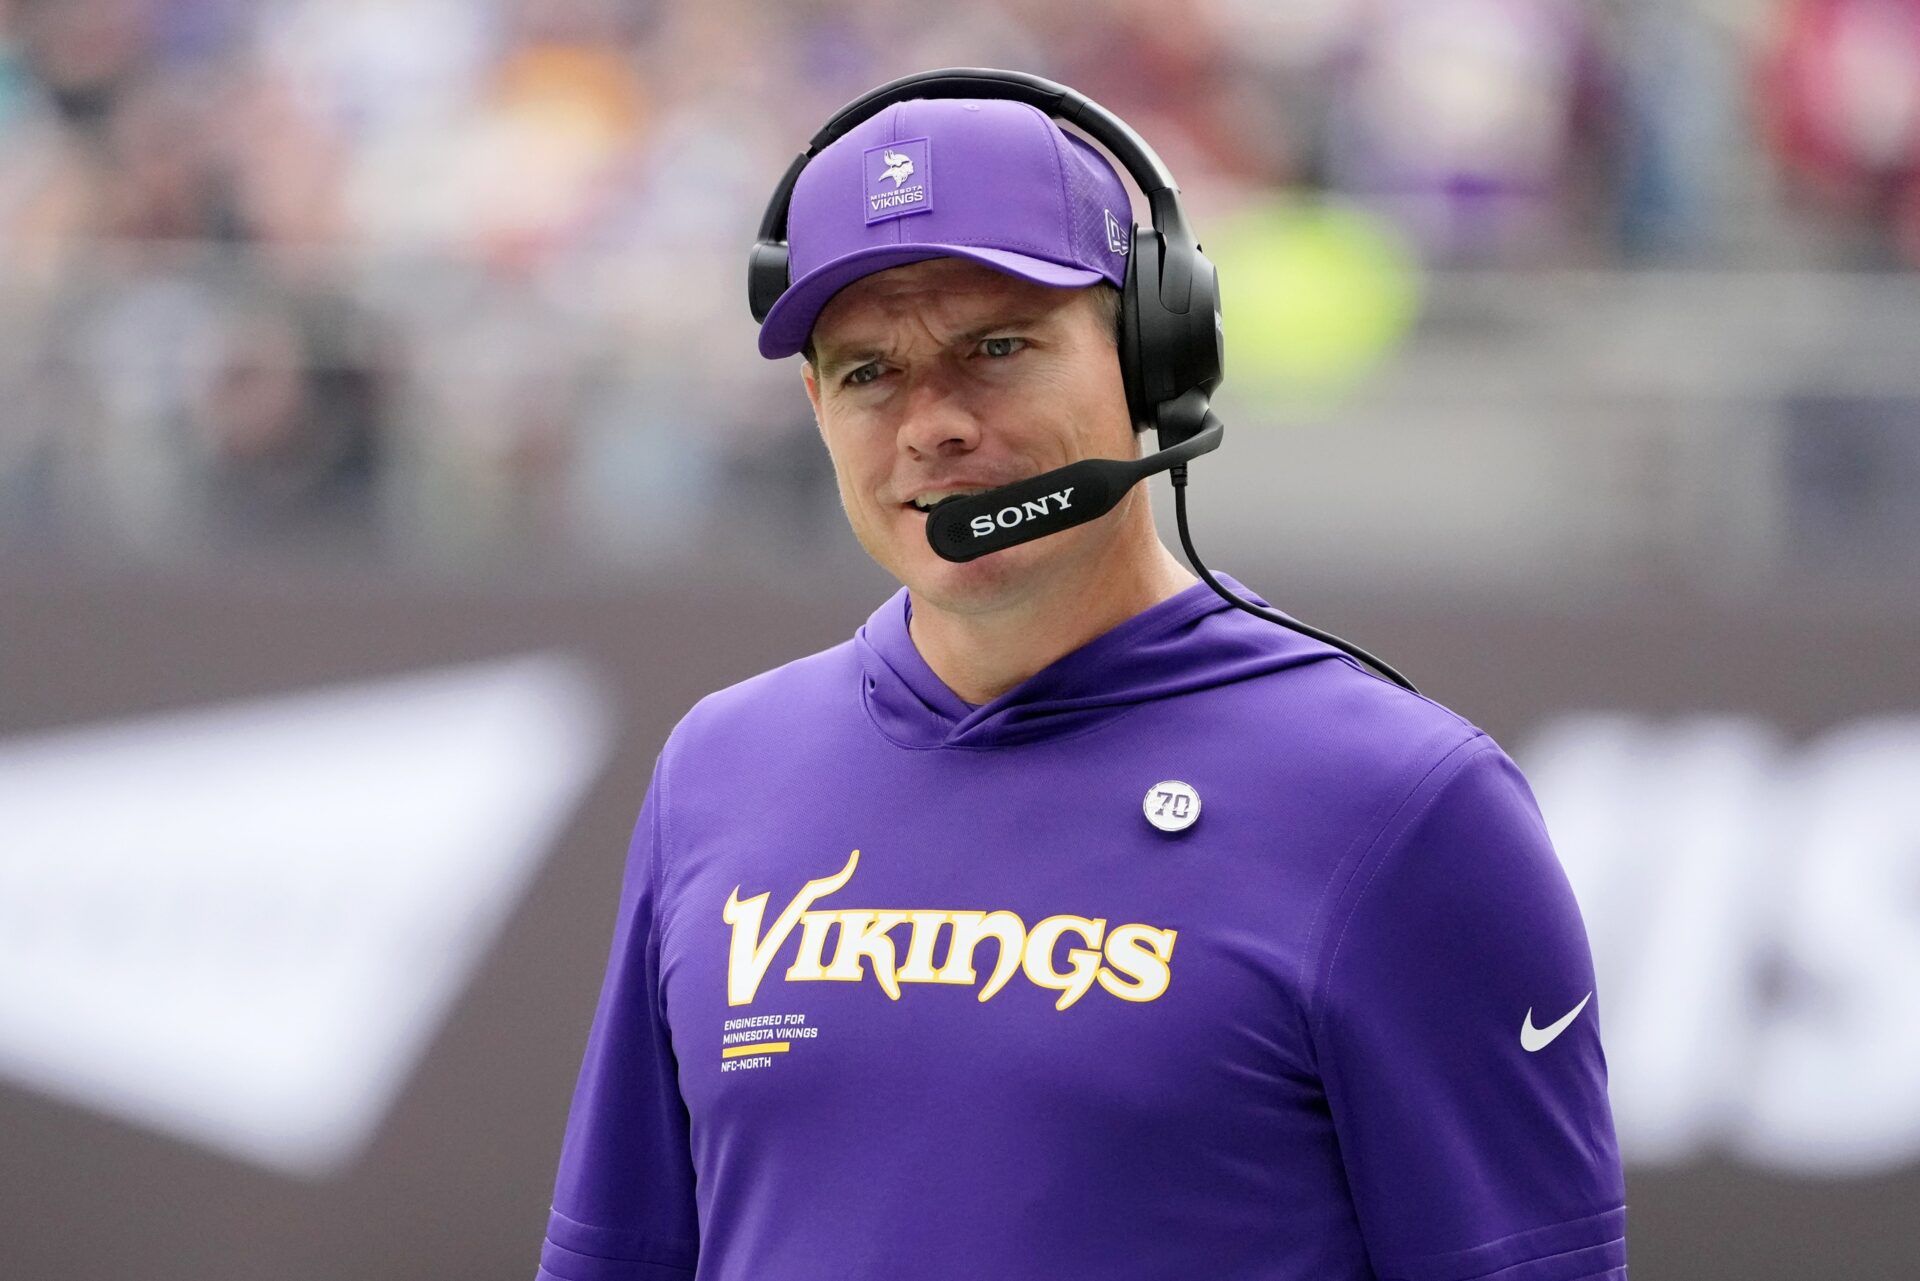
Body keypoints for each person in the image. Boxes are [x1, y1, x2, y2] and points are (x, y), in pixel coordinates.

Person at [531, 78, 1629, 1281]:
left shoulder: (1405, 806)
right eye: (867, 374)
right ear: (813, 403)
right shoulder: (720, 771)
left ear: (1155, 353)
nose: (931, 423)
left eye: (996, 347)